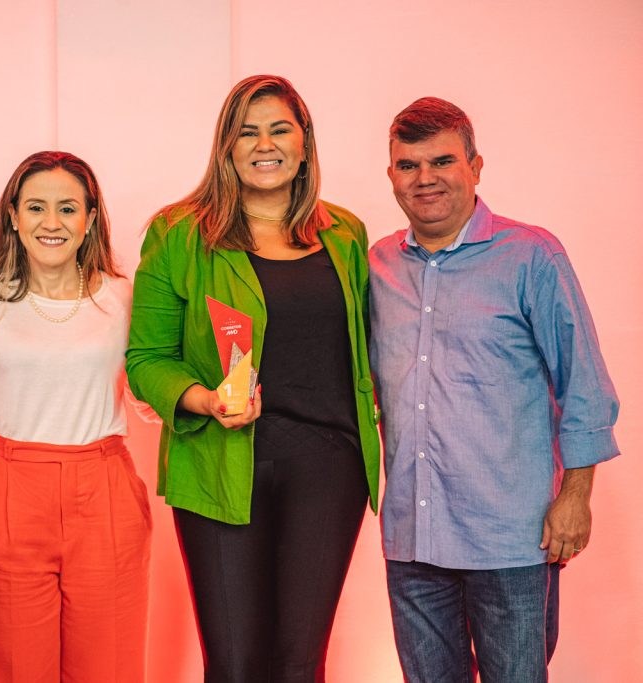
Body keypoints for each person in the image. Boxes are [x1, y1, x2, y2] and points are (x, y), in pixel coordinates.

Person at [126, 74, 380, 682]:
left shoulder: (345, 235)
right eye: (247, 132)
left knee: (299, 664)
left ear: (304, 142)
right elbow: (146, 359)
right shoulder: (180, 234)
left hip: (328, 468)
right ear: (227, 147)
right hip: (218, 462)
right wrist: (204, 399)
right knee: (235, 664)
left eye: (279, 129)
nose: (264, 145)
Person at [369, 97, 620, 682]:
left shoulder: (532, 256)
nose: (425, 178)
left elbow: (584, 383)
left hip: (511, 540)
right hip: (412, 540)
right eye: (408, 165)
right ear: (391, 175)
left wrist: (575, 496)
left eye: (442, 161)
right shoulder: (378, 266)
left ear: (476, 167)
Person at [0, 151, 154, 682]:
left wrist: (207, 393)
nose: (51, 222)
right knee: (13, 669)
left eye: (68, 208)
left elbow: (146, 395)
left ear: (90, 219)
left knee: (109, 667)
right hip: (12, 493)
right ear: (13, 217)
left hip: (106, 488)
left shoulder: (122, 298)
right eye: (36, 207)